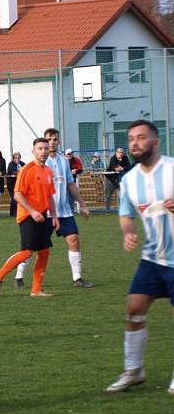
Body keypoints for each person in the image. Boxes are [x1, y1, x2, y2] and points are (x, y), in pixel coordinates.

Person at [104, 120, 174, 395]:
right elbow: (125, 213)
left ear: (156, 142)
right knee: (134, 309)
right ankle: (134, 369)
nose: (134, 143)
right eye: (131, 138)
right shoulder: (130, 179)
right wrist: (128, 232)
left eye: (141, 137)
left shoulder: (171, 170)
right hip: (153, 258)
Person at [0, 138, 59, 298]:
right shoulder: (27, 169)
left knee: (44, 252)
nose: (43, 151)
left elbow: (49, 197)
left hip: (42, 216)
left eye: (45, 148)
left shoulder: (48, 171)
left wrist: (54, 216)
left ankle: (36, 290)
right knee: (27, 252)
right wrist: (32, 211)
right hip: (28, 215)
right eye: (40, 148)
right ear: (33, 151)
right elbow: (17, 195)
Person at [44, 128, 94, 288]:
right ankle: (20, 274)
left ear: (58, 142)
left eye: (55, 139)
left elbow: (70, 185)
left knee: (73, 240)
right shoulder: (40, 162)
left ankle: (77, 278)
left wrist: (83, 205)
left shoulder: (64, 161)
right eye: (49, 139)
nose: (52, 142)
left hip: (64, 211)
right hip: (44, 213)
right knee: (34, 246)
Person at [105, 147, 133, 212]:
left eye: (122, 152)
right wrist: (120, 168)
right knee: (108, 195)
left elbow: (129, 166)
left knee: (121, 195)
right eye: (120, 152)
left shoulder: (125, 158)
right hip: (110, 179)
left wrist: (123, 168)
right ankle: (107, 209)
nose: (122, 154)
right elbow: (115, 167)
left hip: (119, 179)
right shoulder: (113, 158)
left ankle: (122, 209)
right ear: (117, 152)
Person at [64, 148, 84, 214]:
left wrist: (76, 170)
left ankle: (70, 211)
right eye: (68, 154)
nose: (70, 155)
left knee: (71, 197)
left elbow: (80, 169)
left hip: (72, 182)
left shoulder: (76, 160)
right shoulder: (63, 160)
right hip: (63, 182)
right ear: (65, 155)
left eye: (71, 153)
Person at [6, 152, 24, 219]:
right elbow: (11, 171)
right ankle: (13, 212)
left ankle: (15, 212)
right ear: (13, 158)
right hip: (12, 184)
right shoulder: (11, 164)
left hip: (20, 184)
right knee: (13, 198)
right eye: (16, 157)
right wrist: (17, 172)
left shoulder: (23, 164)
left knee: (18, 199)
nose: (17, 159)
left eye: (18, 157)